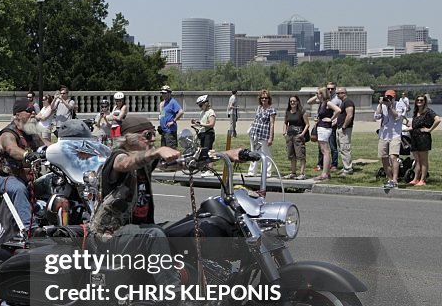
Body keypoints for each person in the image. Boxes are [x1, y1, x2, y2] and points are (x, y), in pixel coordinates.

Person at [89, 114, 247, 294]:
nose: (153, 138)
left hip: (139, 230)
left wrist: (226, 155)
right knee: (154, 235)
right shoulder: (117, 158)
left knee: (187, 228)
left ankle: (203, 283)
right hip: (110, 236)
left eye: (154, 133)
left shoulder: (147, 162)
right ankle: (175, 298)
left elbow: (187, 161)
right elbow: (125, 164)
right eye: (147, 135)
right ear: (129, 139)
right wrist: (156, 151)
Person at [0, 98, 45, 234]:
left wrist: (66, 148)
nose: (33, 113)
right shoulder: (8, 133)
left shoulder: (31, 133)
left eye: (34, 110)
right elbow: (12, 149)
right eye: (29, 111)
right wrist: (27, 155)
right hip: (7, 177)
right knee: (19, 189)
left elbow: (46, 145)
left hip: (29, 178)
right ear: (17, 114)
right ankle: (31, 229)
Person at [375, 89, 407, 190]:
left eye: (390, 97)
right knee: (384, 158)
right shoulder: (382, 105)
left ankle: (395, 180)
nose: (388, 99)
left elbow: (397, 117)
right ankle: (389, 179)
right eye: (387, 97)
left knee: (393, 157)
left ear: (394, 97)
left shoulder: (399, 104)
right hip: (383, 135)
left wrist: (390, 106)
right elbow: (376, 117)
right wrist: (380, 105)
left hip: (395, 135)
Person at [409, 94, 439, 186]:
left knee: (423, 160)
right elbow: (414, 125)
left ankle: (422, 180)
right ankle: (415, 179)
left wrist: (429, 129)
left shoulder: (428, 111)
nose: (419, 102)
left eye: (421, 100)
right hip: (414, 137)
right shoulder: (416, 112)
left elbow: (437, 120)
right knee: (417, 160)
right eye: (418, 100)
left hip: (423, 138)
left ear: (425, 102)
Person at [311, 87, 341, 181]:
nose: (317, 95)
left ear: (322, 94)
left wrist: (331, 119)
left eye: (319, 93)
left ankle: (324, 174)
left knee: (325, 151)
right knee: (324, 151)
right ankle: (326, 172)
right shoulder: (322, 103)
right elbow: (310, 101)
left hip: (325, 128)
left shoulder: (327, 103)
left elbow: (338, 110)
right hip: (321, 127)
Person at [247, 90, 276, 176]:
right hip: (255, 133)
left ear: (269, 99)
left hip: (264, 135)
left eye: (266, 98)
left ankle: (267, 172)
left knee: (265, 153)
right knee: (253, 152)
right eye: (262, 98)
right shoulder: (258, 108)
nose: (264, 99)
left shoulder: (271, 110)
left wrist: (271, 137)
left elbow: (272, 124)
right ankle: (252, 172)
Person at [282, 95, 310, 179]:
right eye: (291, 101)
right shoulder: (288, 112)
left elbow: (307, 124)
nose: (292, 103)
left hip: (298, 135)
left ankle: (302, 173)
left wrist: (302, 134)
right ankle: (293, 172)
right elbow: (285, 122)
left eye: (294, 101)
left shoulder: (301, 111)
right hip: (290, 135)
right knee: (291, 155)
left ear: (297, 102)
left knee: (300, 154)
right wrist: (284, 131)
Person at [336, 87, 356, 175]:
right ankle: (345, 167)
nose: (337, 95)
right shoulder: (343, 102)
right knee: (341, 148)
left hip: (345, 128)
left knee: (345, 148)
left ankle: (348, 168)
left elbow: (350, 115)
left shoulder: (348, 102)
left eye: (339, 93)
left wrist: (344, 125)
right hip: (340, 127)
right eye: (337, 93)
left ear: (344, 93)